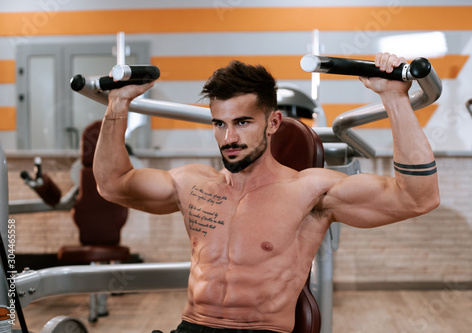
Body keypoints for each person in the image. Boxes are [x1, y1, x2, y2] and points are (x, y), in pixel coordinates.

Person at [93, 53, 440, 333]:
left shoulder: (310, 191)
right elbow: (112, 183)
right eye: (220, 123)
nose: (229, 138)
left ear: (273, 123)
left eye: (243, 122)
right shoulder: (191, 184)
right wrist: (118, 105)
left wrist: (395, 98)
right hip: (193, 327)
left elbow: (417, 197)